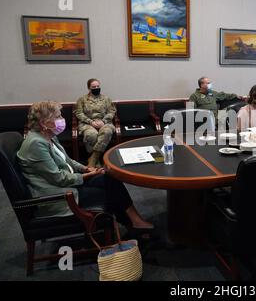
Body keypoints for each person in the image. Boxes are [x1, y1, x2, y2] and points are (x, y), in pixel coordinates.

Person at [17, 101, 154, 232]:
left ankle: (133, 222)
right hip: (60, 194)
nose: (62, 119)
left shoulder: (48, 135)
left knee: (110, 178)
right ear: (44, 123)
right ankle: (133, 223)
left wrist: (86, 168)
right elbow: (59, 178)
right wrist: (88, 175)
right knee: (108, 191)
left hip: (68, 184)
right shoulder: (36, 143)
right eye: (58, 116)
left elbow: (66, 160)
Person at [75, 78, 116, 168]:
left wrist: (103, 121)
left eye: (98, 86)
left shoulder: (106, 99)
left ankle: (94, 157)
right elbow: (78, 113)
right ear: (89, 88)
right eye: (94, 87)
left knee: (107, 132)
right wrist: (90, 121)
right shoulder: (82, 99)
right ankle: (97, 160)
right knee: (91, 134)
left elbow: (111, 111)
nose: (96, 88)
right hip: (87, 123)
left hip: (104, 122)